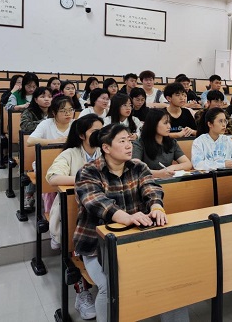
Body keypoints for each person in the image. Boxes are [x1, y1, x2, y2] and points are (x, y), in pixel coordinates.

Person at [74, 124, 180, 322]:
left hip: (136, 239)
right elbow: (96, 202)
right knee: (110, 285)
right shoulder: (88, 171)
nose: (128, 145)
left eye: (129, 140)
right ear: (106, 148)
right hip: (96, 245)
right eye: (121, 141)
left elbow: (151, 188)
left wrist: (156, 206)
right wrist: (127, 218)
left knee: (170, 275)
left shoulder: (139, 167)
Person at [46, 114, 103, 320]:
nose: (100, 135)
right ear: (81, 135)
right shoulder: (70, 154)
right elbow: (53, 177)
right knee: (81, 246)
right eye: (95, 131)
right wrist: (87, 180)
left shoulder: (104, 151)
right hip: (74, 214)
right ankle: (82, 293)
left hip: (101, 213)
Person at [27, 96, 75, 211]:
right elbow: (30, 141)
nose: (68, 113)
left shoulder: (76, 124)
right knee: (50, 186)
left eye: (70, 110)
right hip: (47, 164)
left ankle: (70, 213)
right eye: (63, 111)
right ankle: (50, 212)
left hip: (69, 164)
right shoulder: (46, 124)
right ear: (54, 112)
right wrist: (54, 142)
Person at [132, 109, 193, 177]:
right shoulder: (139, 143)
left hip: (168, 179)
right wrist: (158, 173)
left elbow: (188, 164)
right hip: (148, 180)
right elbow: (135, 168)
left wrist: (171, 168)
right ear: (153, 124)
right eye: (165, 123)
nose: (169, 126)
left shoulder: (172, 142)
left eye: (169, 122)